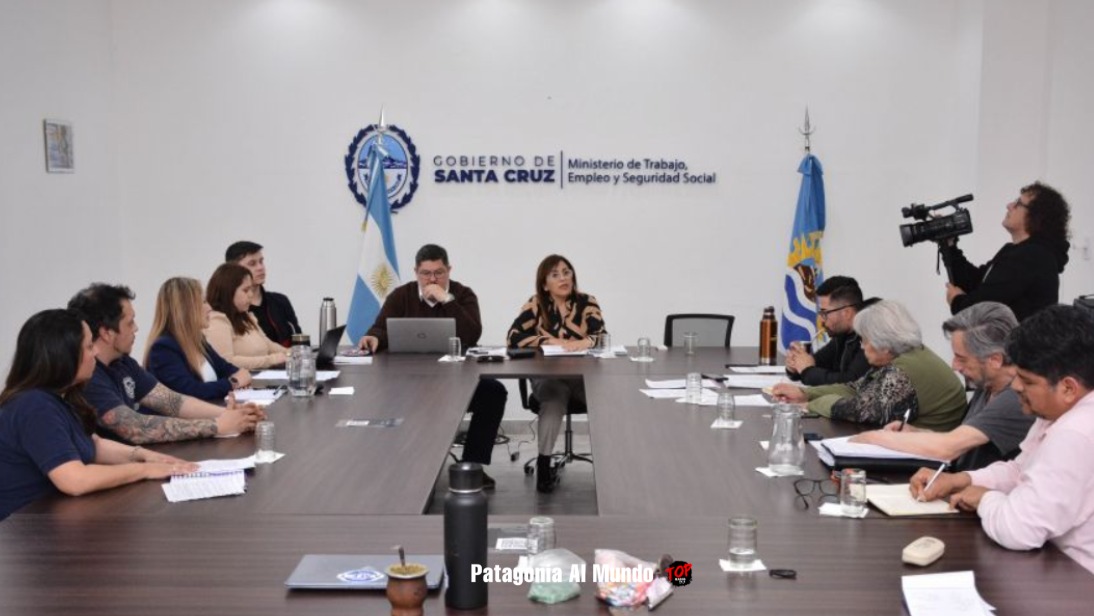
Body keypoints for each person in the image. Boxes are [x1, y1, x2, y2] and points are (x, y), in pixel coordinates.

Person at [910, 305, 1094, 575]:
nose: (1016, 386)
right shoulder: (1059, 412)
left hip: (1074, 580)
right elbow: (1021, 469)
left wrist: (985, 498)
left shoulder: (1074, 433)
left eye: (1027, 381)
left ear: (1068, 388)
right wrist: (963, 480)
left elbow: (1019, 531)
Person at [0, 309, 199, 520]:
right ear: (62, 356)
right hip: (25, 527)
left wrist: (144, 455)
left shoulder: (61, 397)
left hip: (52, 518)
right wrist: (145, 470)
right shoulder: (34, 405)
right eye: (88, 346)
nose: (95, 351)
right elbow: (75, 480)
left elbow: (94, 445)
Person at [356, 244, 506, 489]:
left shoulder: (463, 294)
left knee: (494, 392)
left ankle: (472, 465)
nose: (432, 279)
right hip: (410, 382)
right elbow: (380, 328)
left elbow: (472, 334)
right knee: (383, 393)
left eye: (439, 273)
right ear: (416, 272)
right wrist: (373, 337)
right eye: (426, 273)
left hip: (456, 381)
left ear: (449, 270)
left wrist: (447, 299)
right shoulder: (401, 295)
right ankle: (397, 465)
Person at [68, 283, 263, 444]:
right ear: (106, 333)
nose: (136, 328)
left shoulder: (123, 363)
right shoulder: (88, 376)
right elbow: (136, 428)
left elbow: (173, 402)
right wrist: (216, 425)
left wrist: (231, 414)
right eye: (130, 323)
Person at [851, 302, 1033, 470]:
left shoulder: (1015, 398)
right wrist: (916, 433)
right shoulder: (987, 385)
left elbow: (948, 448)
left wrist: (874, 438)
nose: (955, 366)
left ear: (995, 360)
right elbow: (960, 440)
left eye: (961, 358)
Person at [772, 300, 966, 431]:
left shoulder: (904, 370)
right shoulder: (905, 354)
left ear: (884, 343)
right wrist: (804, 393)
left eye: (865, 340)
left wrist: (811, 405)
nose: (862, 346)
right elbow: (855, 388)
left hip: (926, 461)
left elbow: (862, 411)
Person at [507, 254, 606, 493]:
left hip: (582, 378)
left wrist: (583, 342)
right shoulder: (535, 304)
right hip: (548, 377)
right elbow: (513, 337)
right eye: (555, 275)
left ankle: (613, 465)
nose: (563, 278)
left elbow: (600, 336)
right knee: (553, 398)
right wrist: (548, 340)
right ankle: (544, 467)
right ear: (544, 284)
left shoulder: (587, 302)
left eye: (566, 272)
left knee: (608, 399)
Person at [944, 182, 1071, 321]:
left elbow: (980, 309)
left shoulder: (1032, 257)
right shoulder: (1017, 251)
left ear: (1037, 217)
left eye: (1018, 204)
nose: (1009, 206)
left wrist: (957, 301)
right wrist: (950, 245)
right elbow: (976, 283)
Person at [144, 277, 253, 402]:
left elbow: (227, 369)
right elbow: (190, 392)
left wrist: (239, 377)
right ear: (185, 308)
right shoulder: (163, 349)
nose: (210, 308)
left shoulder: (198, 340)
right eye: (203, 302)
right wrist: (233, 383)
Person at [785, 276, 872, 385]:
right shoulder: (841, 335)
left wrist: (807, 370)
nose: (821, 320)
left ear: (847, 313)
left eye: (825, 313)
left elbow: (851, 383)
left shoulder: (871, 336)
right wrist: (796, 365)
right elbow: (816, 362)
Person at [205, 263, 289, 370]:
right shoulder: (217, 321)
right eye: (245, 290)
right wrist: (271, 360)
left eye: (251, 290)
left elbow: (268, 345)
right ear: (228, 292)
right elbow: (226, 362)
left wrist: (292, 353)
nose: (251, 295)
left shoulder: (246, 317)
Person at [226, 241, 300, 347]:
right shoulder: (228, 308)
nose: (260, 267)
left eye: (261, 261)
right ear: (233, 270)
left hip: (287, 356)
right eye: (252, 264)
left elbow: (299, 340)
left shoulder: (280, 301)